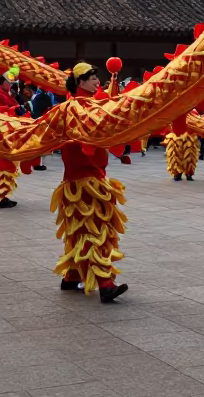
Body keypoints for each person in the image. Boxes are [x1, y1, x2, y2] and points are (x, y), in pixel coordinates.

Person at [53, 62, 130, 303]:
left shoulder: (91, 106)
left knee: (83, 229)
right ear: (79, 82)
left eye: (96, 75)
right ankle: (105, 283)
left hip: (91, 176)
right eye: (90, 77)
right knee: (94, 230)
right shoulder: (75, 109)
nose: (97, 80)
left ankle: (72, 276)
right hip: (83, 179)